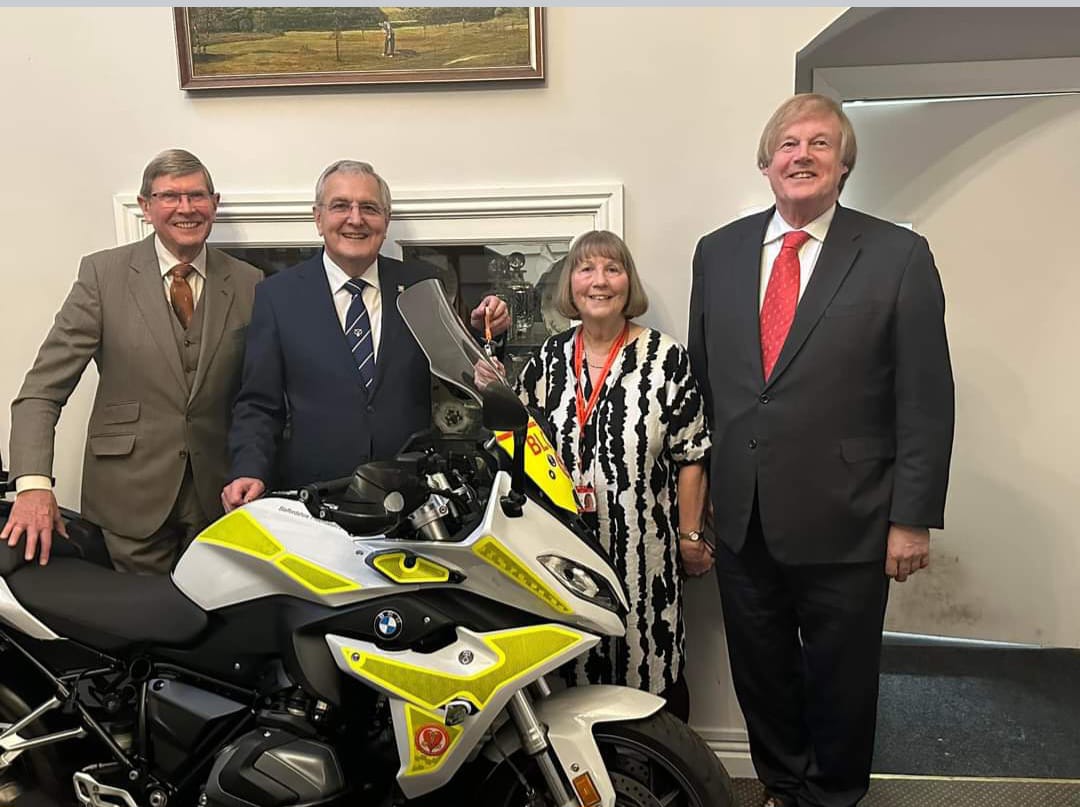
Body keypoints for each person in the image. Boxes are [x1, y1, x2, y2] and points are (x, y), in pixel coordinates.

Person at [688, 93, 955, 807]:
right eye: (787, 144)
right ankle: (781, 784)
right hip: (742, 514)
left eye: (819, 144)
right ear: (767, 163)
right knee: (762, 670)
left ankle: (834, 794)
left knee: (842, 675)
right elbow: (707, 384)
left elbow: (925, 398)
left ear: (844, 166)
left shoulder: (897, 254)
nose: (801, 155)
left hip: (852, 517)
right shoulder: (718, 252)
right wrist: (704, 497)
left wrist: (911, 516)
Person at [3, 149, 262, 573]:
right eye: (170, 197)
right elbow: (40, 393)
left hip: (221, 499)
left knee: (220, 628)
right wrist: (32, 487)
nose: (186, 209)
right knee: (137, 627)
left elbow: (260, 395)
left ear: (214, 204)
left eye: (197, 196)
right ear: (145, 206)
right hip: (127, 500)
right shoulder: (102, 276)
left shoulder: (250, 282)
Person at [222, 160, 509, 506]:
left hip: (411, 498)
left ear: (385, 222)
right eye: (340, 206)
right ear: (318, 218)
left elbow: (460, 376)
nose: (355, 219)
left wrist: (484, 334)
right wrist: (250, 469)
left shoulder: (422, 286)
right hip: (315, 496)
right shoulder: (277, 296)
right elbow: (259, 404)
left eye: (369, 208)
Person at [513, 230, 711, 721]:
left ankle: (665, 783)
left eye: (612, 268)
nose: (599, 281)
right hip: (564, 556)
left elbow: (692, 455)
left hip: (645, 558)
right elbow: (520, 448)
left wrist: (690, 538)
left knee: (652, 669)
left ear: (629, 282)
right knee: (574, 679)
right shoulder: (547, 361)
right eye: (586, 269)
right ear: (570, 284)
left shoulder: (667, 359)